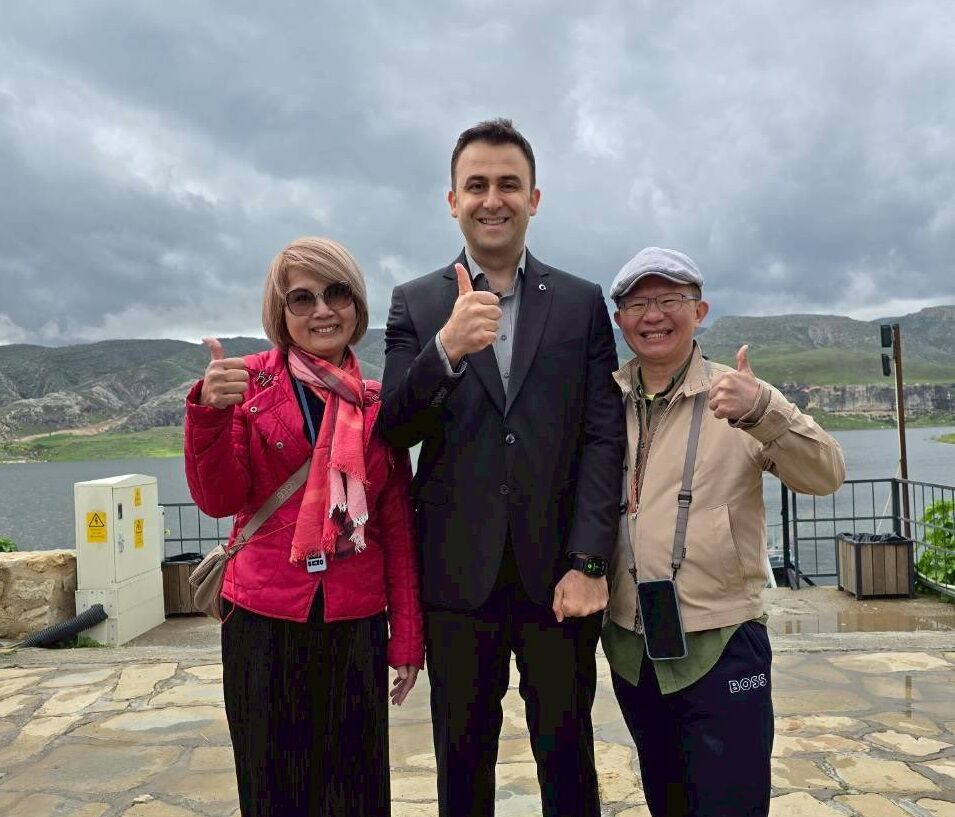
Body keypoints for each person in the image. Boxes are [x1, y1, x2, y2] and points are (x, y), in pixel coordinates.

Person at [380, 119, 624, 817]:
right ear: (451, 200)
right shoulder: (417, 302)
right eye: (476, 185)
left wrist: (589, 559)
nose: (493, 198)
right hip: (458, 578)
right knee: (461, 763)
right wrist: (446, 352)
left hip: (558, 577)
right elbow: (395, 427)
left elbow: (602, 438)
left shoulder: (579, 302)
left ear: (534, 198)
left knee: (567, 754)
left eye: (507, 184)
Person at [184, 236, 424, 817]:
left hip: (355, 619)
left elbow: (395, 527)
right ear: (280, 312)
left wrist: (408, 636)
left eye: (336, 293)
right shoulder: (249, 384)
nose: (322, 310)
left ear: (356, 305)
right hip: (265, 619)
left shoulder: (376, 401)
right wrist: (209, 415)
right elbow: (219, 499)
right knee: (272, 788)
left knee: (356, 788)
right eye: (302, 298)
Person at [604, 247, 846, 817]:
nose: (653, 315)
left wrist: (763, 407)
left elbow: (827, 473)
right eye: (638, 303)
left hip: (722, 643)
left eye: (669, 300)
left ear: (700, 310)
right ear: (620, 320)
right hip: (632, 647)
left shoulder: (735, 395)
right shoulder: (603, 402)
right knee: (666, 802)